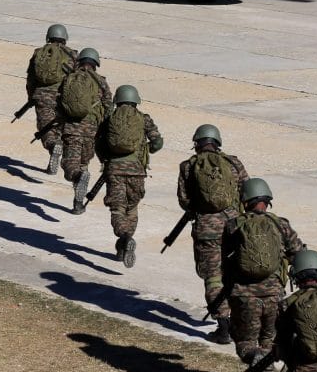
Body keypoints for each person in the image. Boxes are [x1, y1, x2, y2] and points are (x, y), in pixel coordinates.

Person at [224, 177, 305, 372]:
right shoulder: (281, 225)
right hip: (274, 295)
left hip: (244, 296)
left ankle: (254, 359)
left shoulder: (233, 226)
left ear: (245, 201)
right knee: (269, 342)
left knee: (245, 343)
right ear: (267, 200)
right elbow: (298, 255)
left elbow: (226, 262)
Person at [176, 124, 249, 344]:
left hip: (207, 230)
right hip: (234, 227)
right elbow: (248, 191)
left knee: (213, 277)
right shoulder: (233, 163)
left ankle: (223, 326)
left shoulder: (188, 167)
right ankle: (243, 320)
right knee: (237, 273)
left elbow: (184, 200)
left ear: (197, 143)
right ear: (217, 142)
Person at [95, 85, 163, 267]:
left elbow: (98, 144)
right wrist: (145, 151)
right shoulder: (143, 119)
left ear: (117, 100)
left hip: (114, 170)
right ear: (135, 101)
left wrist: (107, 160)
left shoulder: (109, 118)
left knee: (117, 209)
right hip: (137, 171)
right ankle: (126, 242)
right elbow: (157, 142)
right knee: (131, 208)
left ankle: (124, 237)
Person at [57, 47, 112, 212]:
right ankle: (78, 203)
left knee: (69, 166)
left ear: (80, 61)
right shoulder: (101, 82)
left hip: (72, 129)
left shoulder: (69, 78)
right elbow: (108, 107)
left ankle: (78, 178)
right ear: (96, 63)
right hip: (91, 132)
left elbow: (59, 103)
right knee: (83, 164)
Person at [24, 24, 77, 174]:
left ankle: (53, 146)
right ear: (65, 38)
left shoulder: (39, 53)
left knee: (45, 127)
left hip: (42, 97)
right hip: (63, 99)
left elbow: (31, 79)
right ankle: (53, 161)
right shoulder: (73, 55)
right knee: (59, 129)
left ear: (48, 36)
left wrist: (31, 97)